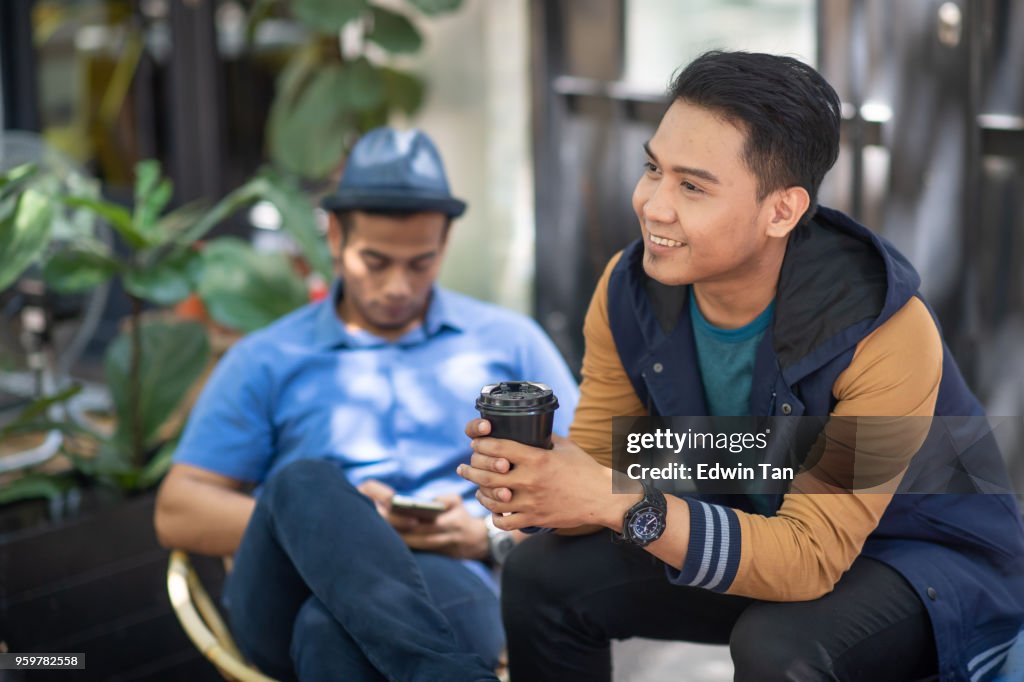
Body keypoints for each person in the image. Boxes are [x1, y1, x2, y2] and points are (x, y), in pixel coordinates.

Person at [458, 51, 1024, 681]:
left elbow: (809, 559)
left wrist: (618, 504)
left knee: (779, 643)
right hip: (758, 529)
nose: (654, 205)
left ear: (781, 210)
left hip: (921, 559)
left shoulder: (882, 328)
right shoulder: (628, 290)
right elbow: (602, 467)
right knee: (544, 576)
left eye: (692, 186)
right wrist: (535, 482)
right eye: (653, 169)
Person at [154, 127, 579, 681]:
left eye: (420, 263)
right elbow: (177, 510)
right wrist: (350, 529)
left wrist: (486, 537)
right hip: (286, 591)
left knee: (327, 633)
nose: (399, 285)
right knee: (304, 484)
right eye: (375, 262)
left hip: (447, 583)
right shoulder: (268, 357)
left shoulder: (507, 343)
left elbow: (596, 476)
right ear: (334, 236)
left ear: (444, 245)